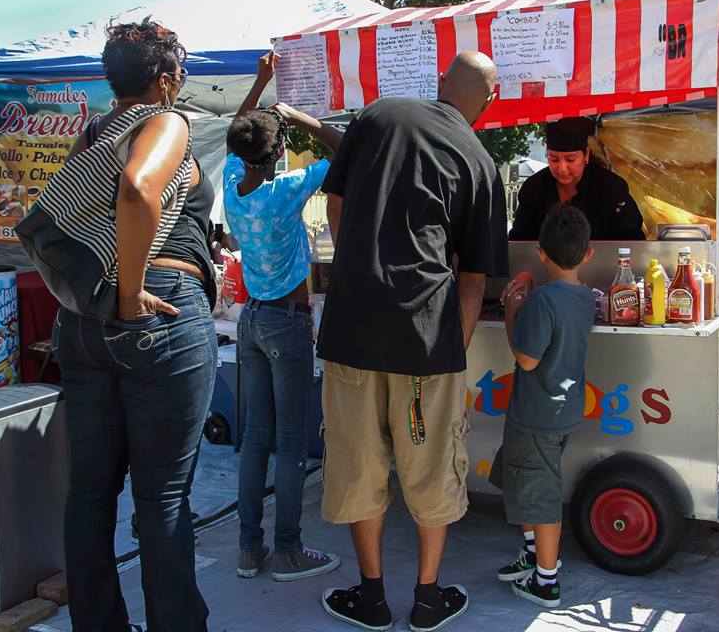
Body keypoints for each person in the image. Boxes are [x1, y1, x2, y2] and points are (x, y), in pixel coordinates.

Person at [317, 51, 509, 632]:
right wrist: (455, 344)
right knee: (430, 469)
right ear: (490, 101)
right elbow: (474, 278)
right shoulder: (481, 163)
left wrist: (356, 264)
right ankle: (428, 599)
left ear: (442, 81)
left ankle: (370, 597)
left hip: (352, 330)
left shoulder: (378, 116)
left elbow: (337, 203)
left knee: (359, 465)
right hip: (427, 346)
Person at [53, 18, 216, 632]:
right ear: (168, 80)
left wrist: (113, 296)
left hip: (82, 320)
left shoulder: (93, 133)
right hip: (156, 310)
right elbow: (140, 189)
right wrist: (129, 294)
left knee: (90, 493)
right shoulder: (165, 122)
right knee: (162, 497)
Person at [224, 52, 343, 582]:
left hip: (250, 321)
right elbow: (346, 148)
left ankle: (250, 549)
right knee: (291, 443)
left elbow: (236, 132)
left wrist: (260, 83)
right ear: (278, 155)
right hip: (288, 323)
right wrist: (297, 117)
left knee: (255, 440)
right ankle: (289, 547)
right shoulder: (284, 191)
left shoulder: (233, 187)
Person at [496, 205, 596, 608]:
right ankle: (532, 554)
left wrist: (510, 313)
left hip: (536, 415)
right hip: (564, 410)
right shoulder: (583, 295)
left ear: (540, 251)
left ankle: (546, 581)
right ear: (588, 255)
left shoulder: (541, 303)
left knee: (541, 497)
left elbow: (526, 359)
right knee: (522, 482)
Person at [509, 117, 645, 241]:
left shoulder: (610, 187)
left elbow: (632, 239)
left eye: (570, 159)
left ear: (586, 155)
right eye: (554, 159)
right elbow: (519, 239)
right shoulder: (534, 187)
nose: (562, 168)